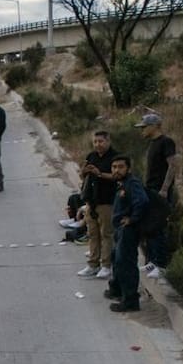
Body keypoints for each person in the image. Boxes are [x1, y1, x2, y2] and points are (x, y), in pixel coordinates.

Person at [135, 113, 179, 278]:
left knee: (159, 227)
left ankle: (161, 265)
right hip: (150, 189)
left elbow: (173, 165)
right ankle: (152, 262)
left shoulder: (166, 142)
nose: (142, 130)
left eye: (145, 127)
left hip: (159, 191)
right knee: (151, 228)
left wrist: (164, 189)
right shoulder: (152, 144)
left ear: (155, 126)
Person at [104, 156, 148, 313]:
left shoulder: (132, 183)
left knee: (126, 264)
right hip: (120, 230)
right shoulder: (121, 184)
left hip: (128, 231)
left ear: (128, 169)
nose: (116, 170)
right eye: (114, 167)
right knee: (116, 259)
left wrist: (132, 219)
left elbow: (142, 201)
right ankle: (116, 290)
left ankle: (130, 301)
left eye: (120, 167)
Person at [77, 130, 119, 280]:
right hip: (91, 201)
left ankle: (106, 265)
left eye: (101, 141)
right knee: (93, 234)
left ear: (108, 141)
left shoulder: (115, 157)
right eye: (95, 142)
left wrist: (100, 173)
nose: (98, 145)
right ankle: (93, 264)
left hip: (106, 201)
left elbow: (117, 176)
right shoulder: (91, 156)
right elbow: (82, 176)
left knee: (106, 234)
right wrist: (84, 171)